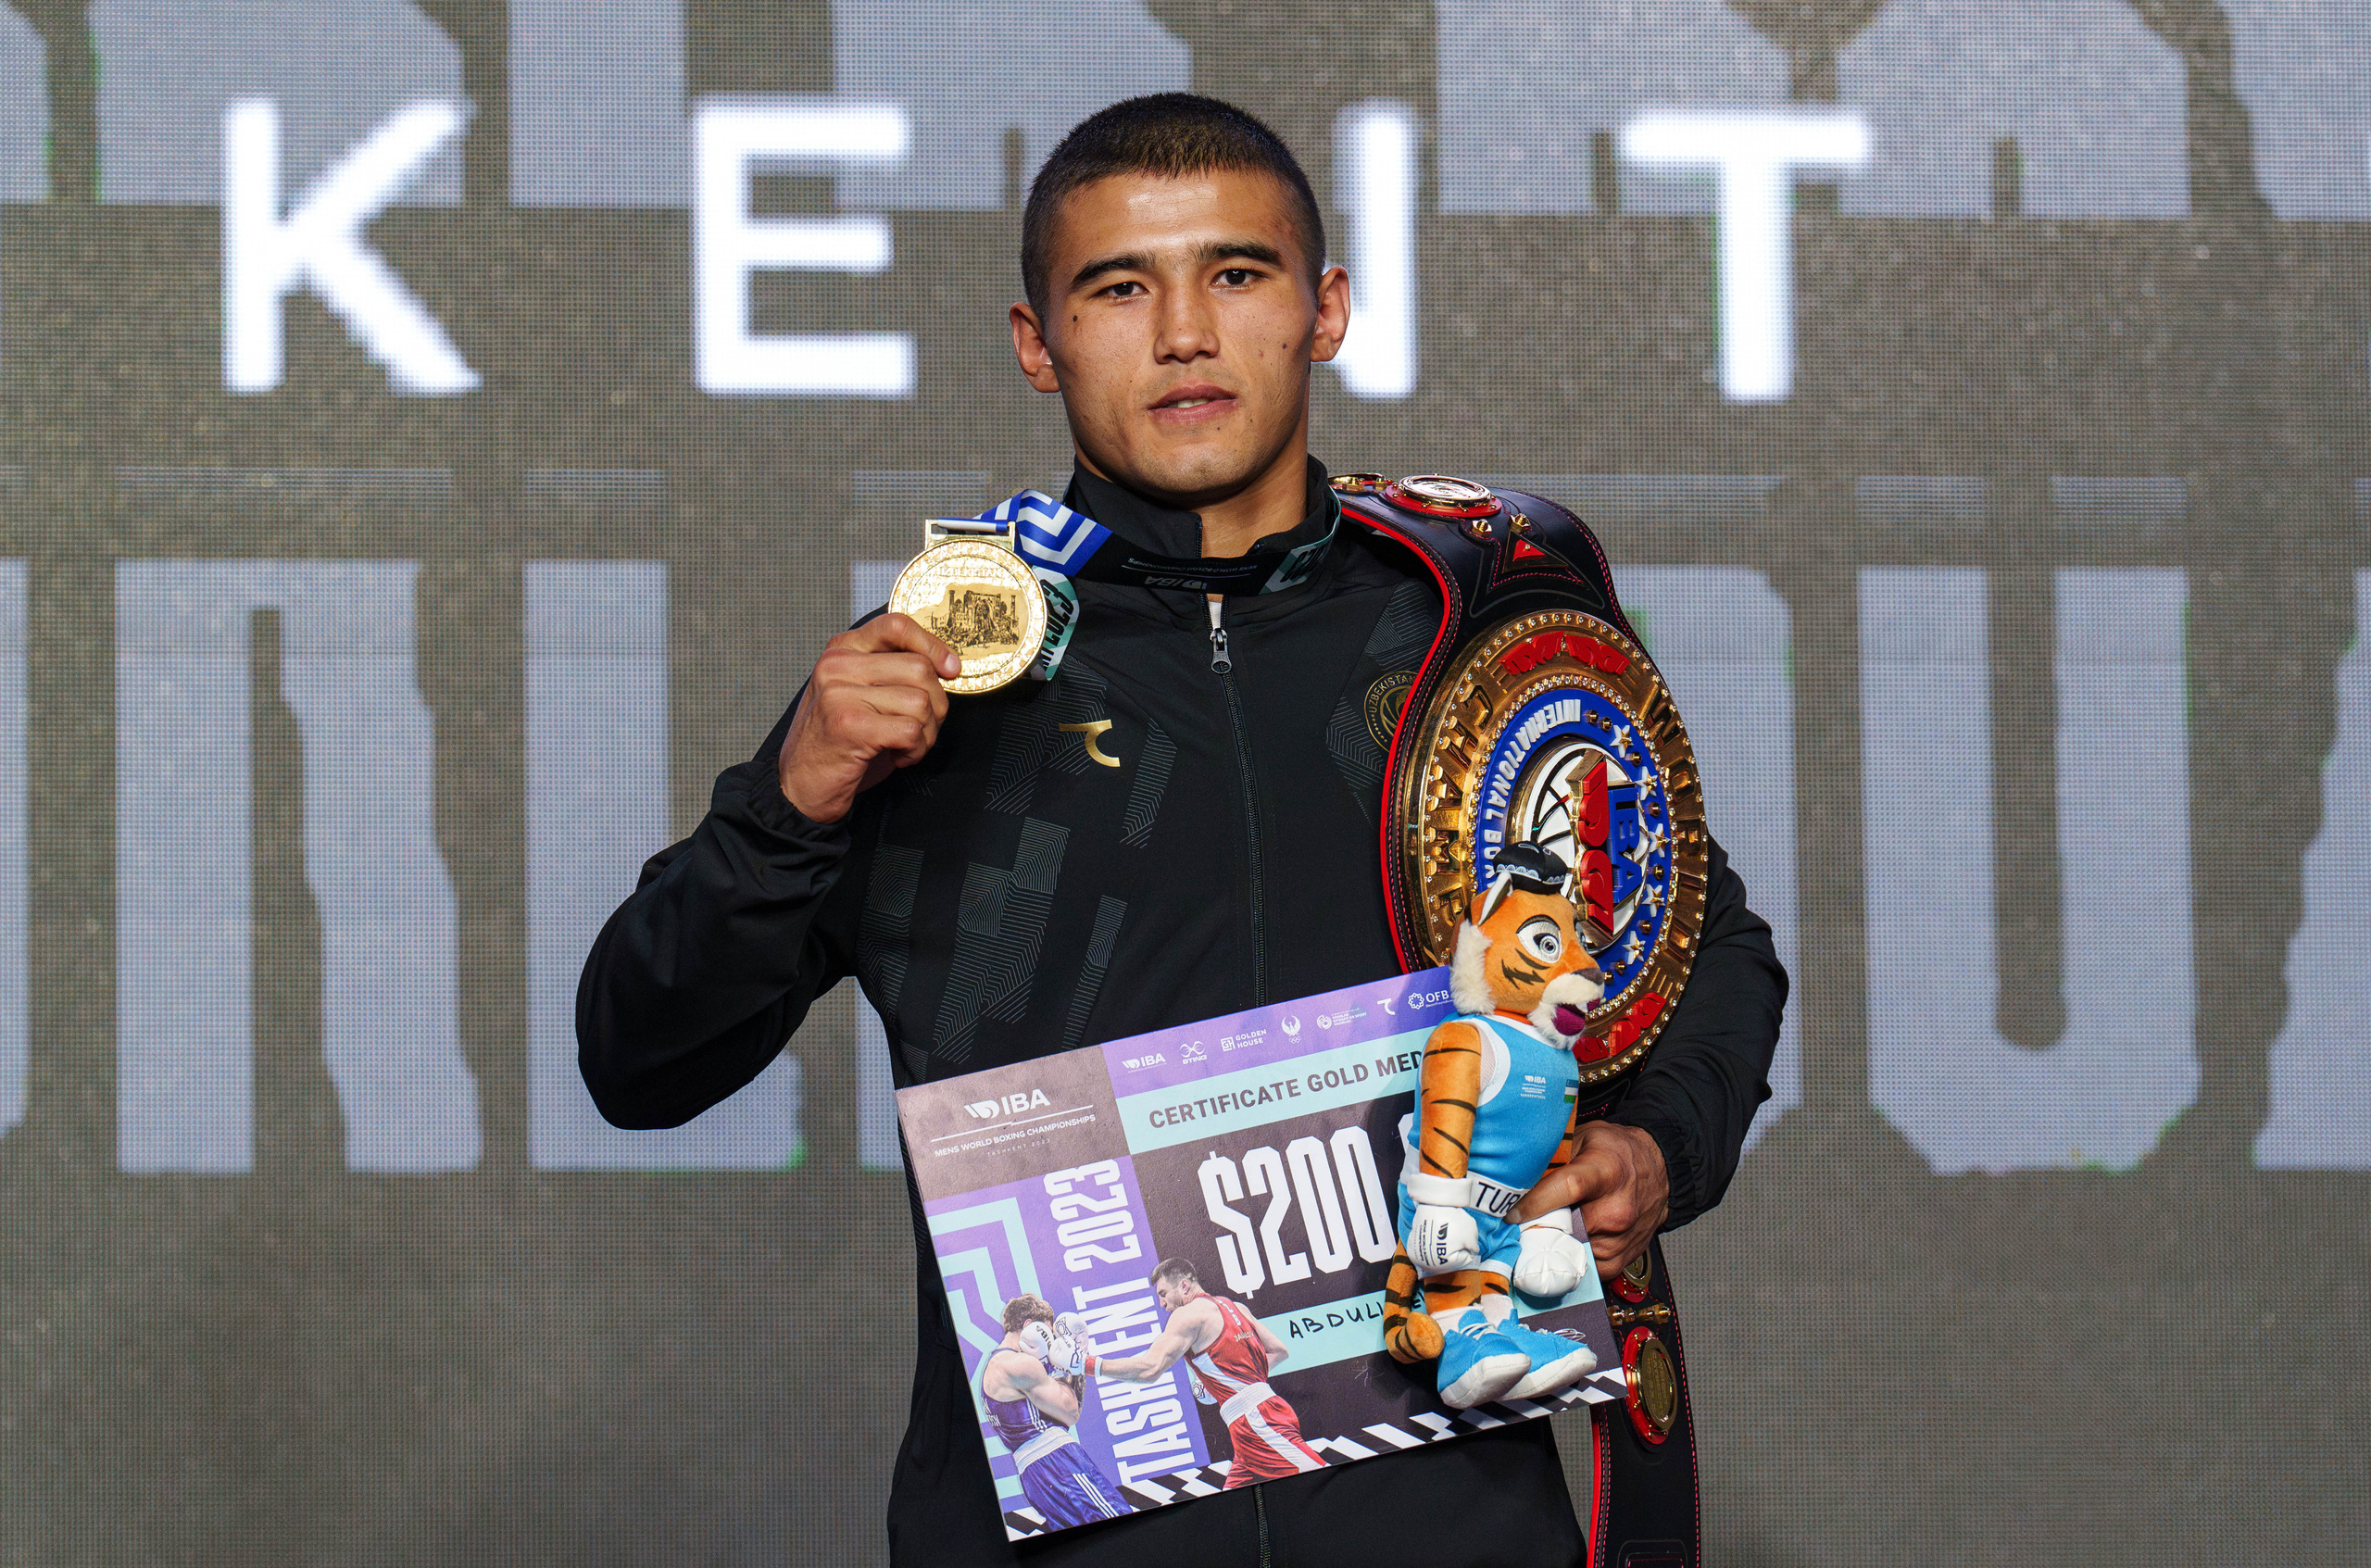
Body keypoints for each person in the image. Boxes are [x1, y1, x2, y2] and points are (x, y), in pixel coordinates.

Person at [578, 92, 1787, 1568]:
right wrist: (790, 798)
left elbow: (1702, 945)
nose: (1185, 333)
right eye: (1118, 287)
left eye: (1237, 273)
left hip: (1456, 1524)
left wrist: (1664, 1147)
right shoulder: (927, 678)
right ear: (1038, 341)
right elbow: (639, 1059)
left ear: (1325, 308)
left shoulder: (1473, 629)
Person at [1094, 1258, 1324, 1487]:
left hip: (1257, 1422)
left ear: (1184, 1285)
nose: (1161, 1303)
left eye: (1163, 1293)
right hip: (1258, 1416)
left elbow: (1150, 1368)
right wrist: (1229, 1381)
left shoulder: (1187, 1315)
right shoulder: (1235, 1306)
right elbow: (1278, 1351)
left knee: (1324, 1484)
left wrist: (1090, 1365)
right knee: (1232, 1514)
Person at [981, 1297, 1133, 1527]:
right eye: (1049, 1334)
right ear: (1030, 1325)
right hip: (1058, 1462)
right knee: (1120, 1523)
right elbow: (1071, 1412)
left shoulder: (993, 1367)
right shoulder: (1020, 1364)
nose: (1051, 1343)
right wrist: (1078, 1360)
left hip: (1032, 1476)